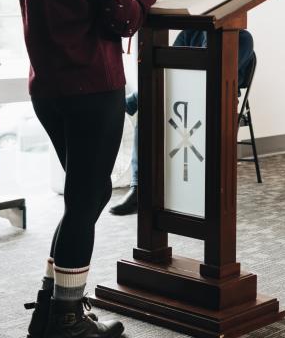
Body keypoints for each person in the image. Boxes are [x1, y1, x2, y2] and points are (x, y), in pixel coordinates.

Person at [17, 0, 156, 338]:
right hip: (93, 88)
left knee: (84, 197)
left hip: (49, 90)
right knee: (87, 199)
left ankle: (52, 310)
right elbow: (123, 20)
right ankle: (65, 322)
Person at [110, 28, 256, 215]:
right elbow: (168, 66)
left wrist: (186, 68)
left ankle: (130, 102)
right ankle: (139, 188)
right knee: (148, 114)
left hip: (215, 101)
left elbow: (213, 72)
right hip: (183, 97)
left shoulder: (242, 38)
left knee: (153, 96)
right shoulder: (189, 32)